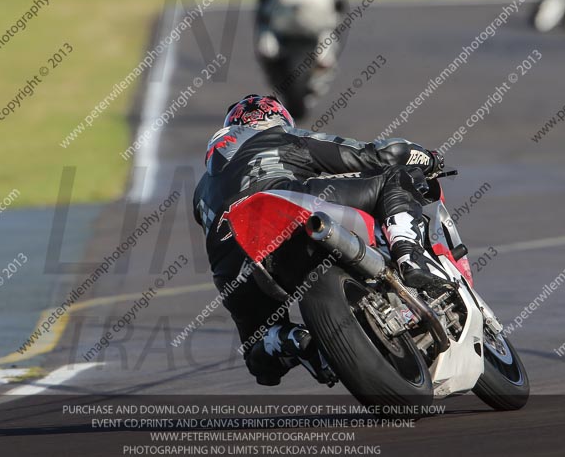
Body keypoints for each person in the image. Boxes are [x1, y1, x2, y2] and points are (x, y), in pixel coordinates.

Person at [193, 95, 451, 386]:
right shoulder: (280, 136)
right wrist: (427, 157)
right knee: (394, 178)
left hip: (230, 258)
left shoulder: (202, 187)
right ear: (275, 119)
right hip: (279, 203)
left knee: (260, 356)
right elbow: (374, 155)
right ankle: (408, 253)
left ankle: (288, 340)